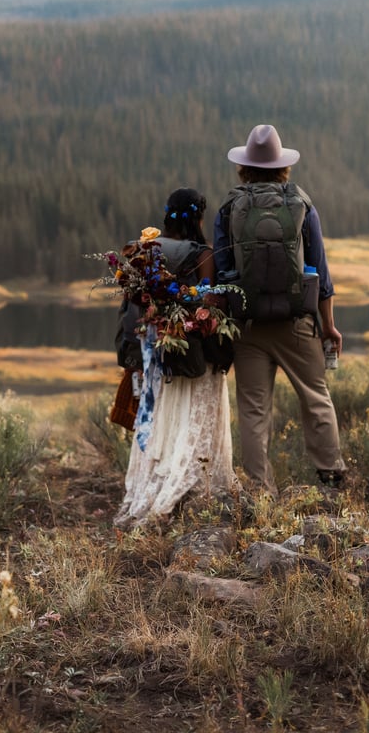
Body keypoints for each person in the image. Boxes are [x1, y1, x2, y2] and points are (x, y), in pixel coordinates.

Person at [213, 124, 346, 492]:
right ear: (283, 166)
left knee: (254, 411)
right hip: (297, 323)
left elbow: (223, 275)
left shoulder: (228, 209)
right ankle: (330, 479)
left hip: (249, 327)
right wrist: (329, 325)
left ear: (244, 167)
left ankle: (260, 490)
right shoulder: (301, 205)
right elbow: (320, 271)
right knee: (316, 397)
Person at [114, 188, 239, 529]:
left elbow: (132, 307)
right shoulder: (204, 254)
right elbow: (209, 302)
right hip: (193, 356)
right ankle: (191, 487)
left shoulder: (144, 250)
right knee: (192, 420)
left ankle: (153, 482)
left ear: (167, 215)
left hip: (156, 358)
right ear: (198, 218)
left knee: (161, 422)